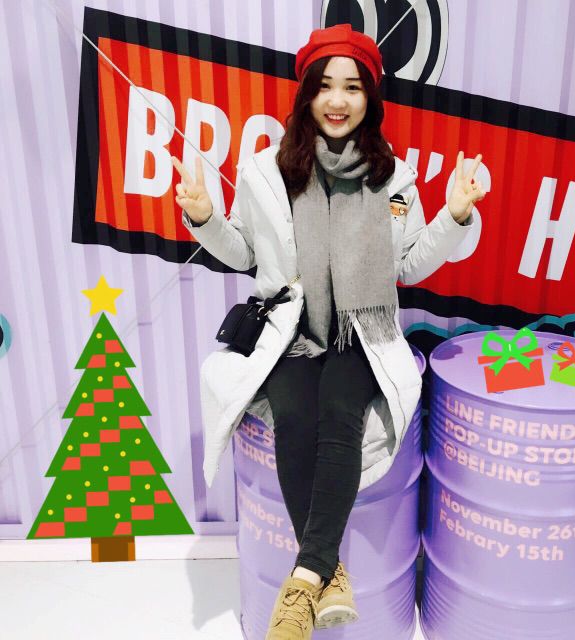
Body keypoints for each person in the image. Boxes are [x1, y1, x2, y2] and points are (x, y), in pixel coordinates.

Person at [172, 23, 485, 640]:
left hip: (361, 332)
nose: (337, 101)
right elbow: (244, 254)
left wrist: (454, 215)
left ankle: (302, 584)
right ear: (306, 93)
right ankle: (327, 571)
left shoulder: (393, 178)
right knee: (294, 416)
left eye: (352, 87)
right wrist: (204, 218)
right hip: (291, 328)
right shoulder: (266, 170)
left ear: (371, 96)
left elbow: (407, 264)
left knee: (341, 410)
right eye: (324, 86)